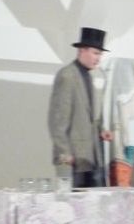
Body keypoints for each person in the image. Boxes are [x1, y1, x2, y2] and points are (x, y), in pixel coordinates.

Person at [48, 27, 114, 188]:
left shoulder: (88, 77)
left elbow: (88, 115)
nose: (98, 59)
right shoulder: (67, 76)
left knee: (96, 199)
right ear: (82, 50)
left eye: (100, 54)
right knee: (74, 200)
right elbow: (57, 120)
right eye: (95, 53)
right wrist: (64, 153)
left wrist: (101, 131)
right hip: (74, 159)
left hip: (92, 157)